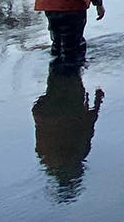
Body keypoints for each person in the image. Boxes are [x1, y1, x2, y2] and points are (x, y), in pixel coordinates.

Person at [32, 71, 103, 201]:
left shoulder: (48, 157)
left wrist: (98, 101)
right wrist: (98, 102)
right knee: (66, 72)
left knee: (65, 72)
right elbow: (88, 128)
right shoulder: (70, 155)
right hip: (49, 111)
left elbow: (88, 125)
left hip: (48, 111)